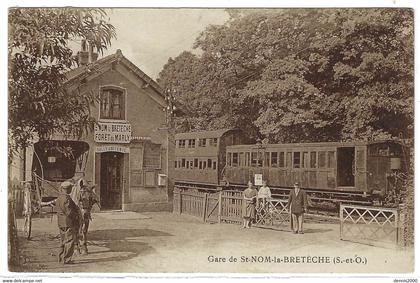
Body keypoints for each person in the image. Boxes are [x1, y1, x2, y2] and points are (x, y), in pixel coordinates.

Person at [45, 181, 80, 264]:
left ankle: (60, 258)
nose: (71, 190)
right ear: (68, 189)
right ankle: (67, 259)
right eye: (71, 188)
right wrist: (76, 216)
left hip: (61, 223)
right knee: (70, 240)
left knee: (63, 240)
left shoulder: (59, 198)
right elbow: (68, 212)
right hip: (68, 223)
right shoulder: (66, 199)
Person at [78, 181, 100, 254]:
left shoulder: (89, 191)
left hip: (86, 209)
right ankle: (76, 244)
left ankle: (84, 244)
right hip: (81, 208)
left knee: (85, 227)